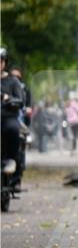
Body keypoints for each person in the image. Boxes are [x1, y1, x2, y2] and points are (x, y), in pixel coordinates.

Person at [1, 49, 25, 178]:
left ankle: (10, 159)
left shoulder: (13, 81)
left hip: (7, 116)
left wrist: (8, 99)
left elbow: (20, 99)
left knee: (12, 129)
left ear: (4, 63)